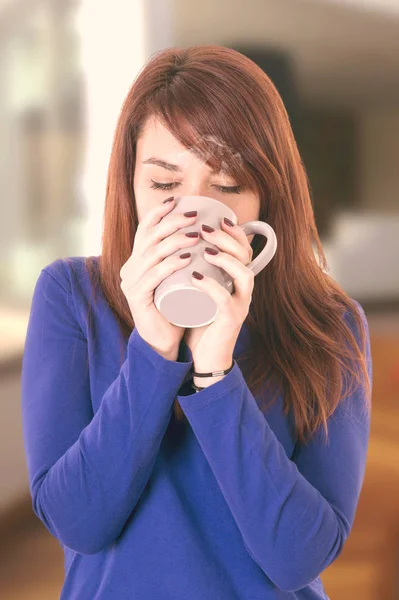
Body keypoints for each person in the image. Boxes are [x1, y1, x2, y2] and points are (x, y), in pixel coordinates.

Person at [21, 45, 372, 600]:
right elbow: (78, 523)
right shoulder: (72, 298)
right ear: (130, 190)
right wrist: (154, 349)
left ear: (266, 200)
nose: (193, 210)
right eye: (164, 185)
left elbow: (299, 557)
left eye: (228, 186)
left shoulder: (329, 324)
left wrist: (216, 373)